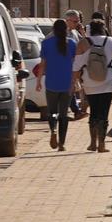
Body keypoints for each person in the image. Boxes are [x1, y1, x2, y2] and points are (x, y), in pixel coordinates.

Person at [33, 18, 78, 150]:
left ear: (53, 30)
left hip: (51, 82)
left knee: (52, 111)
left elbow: (42, 65)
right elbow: (75, 64)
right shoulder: (72, 43)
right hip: (67, 82)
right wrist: (76, 81)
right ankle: (62, 144)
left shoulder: (46, 43)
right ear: (66, 30)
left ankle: (53, 129)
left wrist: (38, 81)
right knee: (64, 114)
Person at [78, 16, 112, 152]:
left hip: (89, 82)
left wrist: (74, 81)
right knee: (104, 112)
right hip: (108, 81)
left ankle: (92, 143)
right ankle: (102, 145)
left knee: (94, 112)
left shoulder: (84, 43)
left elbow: (76, 65)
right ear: (103, 29)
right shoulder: (111, 41)